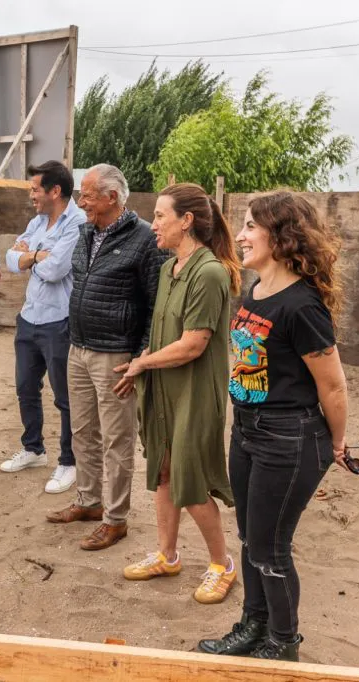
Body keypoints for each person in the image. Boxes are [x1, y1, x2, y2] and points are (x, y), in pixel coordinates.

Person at [196, 191, 351, 662]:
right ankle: (253, 626)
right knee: (250, 538)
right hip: (247, 431)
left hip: (291, 438)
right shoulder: (256, 291)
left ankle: (283, 644)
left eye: (249, 226)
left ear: (281, 235)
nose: (239, 236)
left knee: (271, 547)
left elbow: (334, 386)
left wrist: (338, 444)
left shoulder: (302, 306)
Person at [112, 183, 241, 604]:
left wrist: (143, 363)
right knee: (165, 471)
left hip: (194, 393)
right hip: (164, 387)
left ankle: (223, 564)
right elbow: (165, 333)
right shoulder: (170, 270)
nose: (154, 225)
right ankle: (167, 556)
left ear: (186, 221)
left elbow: (193, 344)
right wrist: (143, 361)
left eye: (161, 216)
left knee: (191, 479)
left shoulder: (209, 272)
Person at [46, 163, 167, 551]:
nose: (81, 202)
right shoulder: (85, 232)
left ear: (112, 197)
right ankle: (88, 501)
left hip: (115, 355)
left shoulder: (145, 240)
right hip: (78, 347)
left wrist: (139, 358)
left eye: (87, 195)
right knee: (82, 430)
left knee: (117, 439)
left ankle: (116, 519)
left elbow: (155, 306)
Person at [1, 161, 85, 493]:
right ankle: (33, 449)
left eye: (35, 189)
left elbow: (55, 270)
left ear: (55, 191)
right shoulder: (38, 221)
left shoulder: (75, 223)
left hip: (60, 321)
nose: (32, 195)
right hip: (30, 317)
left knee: (65, 396)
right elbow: (9, 258)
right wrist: (36, 256)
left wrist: (29, 257)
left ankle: (69, 462)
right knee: (25, 388)